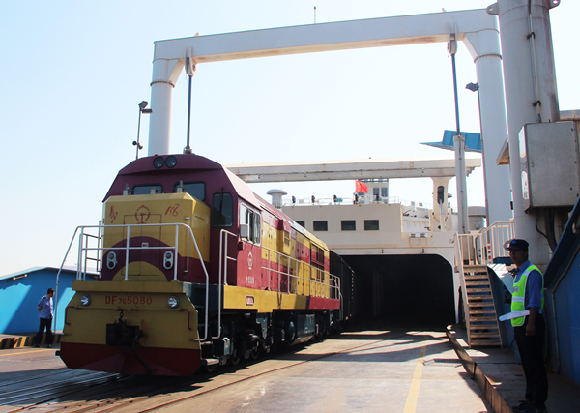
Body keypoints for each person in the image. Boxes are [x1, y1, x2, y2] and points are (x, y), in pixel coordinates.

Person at [501, 239, 548, 413]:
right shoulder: (519, 274)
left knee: (535, 363)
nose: (512, 254)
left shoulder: (531, 273)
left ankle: (538, 403)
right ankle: (530, 399)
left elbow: (534, 302)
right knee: (527, 364)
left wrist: (532, 324)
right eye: (510, 251)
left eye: (516, 251)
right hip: (520, 324)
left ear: (525, 253)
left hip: (530, 324)